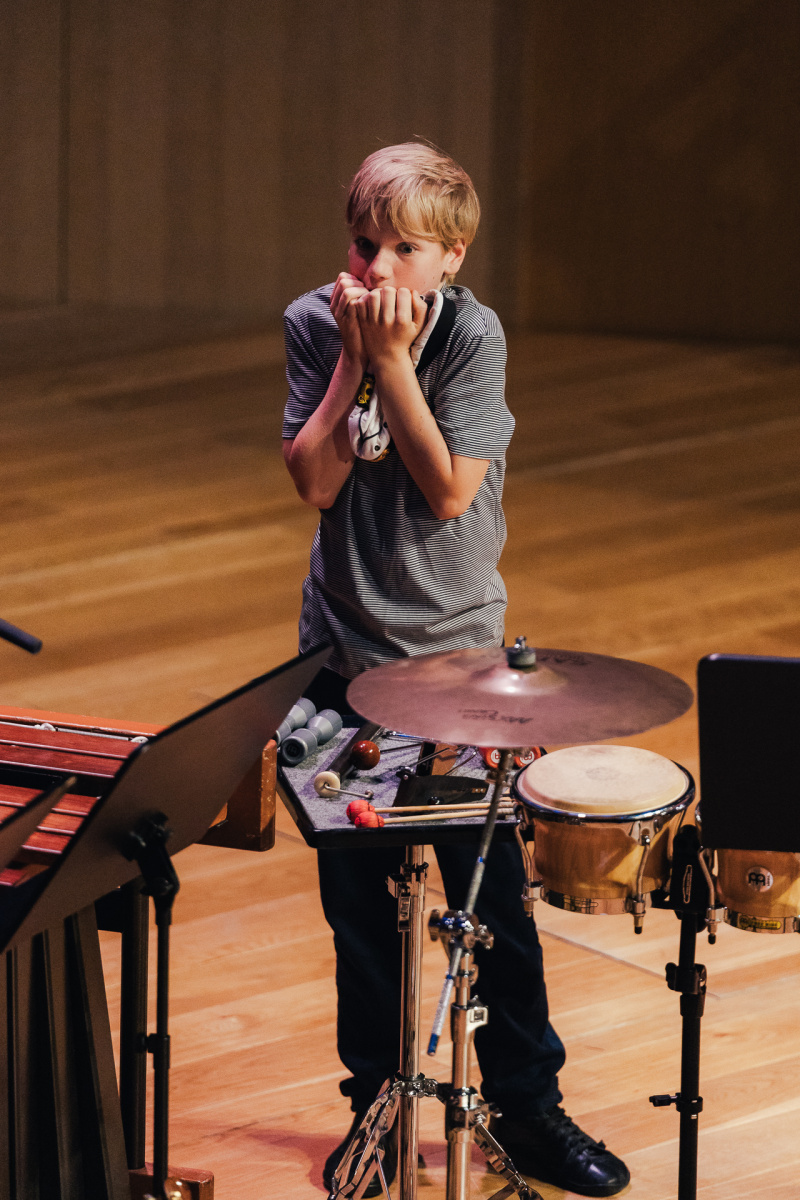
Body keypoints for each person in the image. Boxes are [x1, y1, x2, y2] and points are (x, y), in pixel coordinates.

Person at [281, 142, 629, 1198]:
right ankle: (375, 1108)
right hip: (342, 658)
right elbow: (314, 480)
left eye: (403, 250)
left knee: (495, 911)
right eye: (363, 244)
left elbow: (444, 491)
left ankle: (527, 1108)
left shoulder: (472, 336)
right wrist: (352, 359)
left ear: (451, 258)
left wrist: (393, 364)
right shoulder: (314, 322)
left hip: (458, 664)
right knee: (361, 920)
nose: (376, 268)